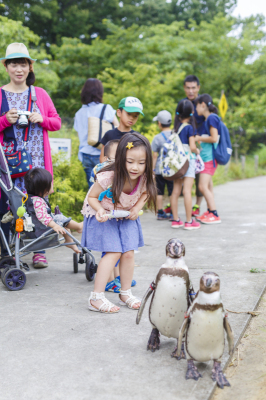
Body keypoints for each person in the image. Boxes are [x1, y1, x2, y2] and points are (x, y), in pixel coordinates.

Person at [0, 42, 61, 268]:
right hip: (8, 164)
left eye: (23, 64)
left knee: (38, 204)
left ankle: (39, 251)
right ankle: (7, 250)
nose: (19, 69)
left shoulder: (40, 95)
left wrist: (41, 119)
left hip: (36, 162)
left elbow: (56, 122)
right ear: (6, 67)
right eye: (14, 64)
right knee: (9, 204)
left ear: (30, 67)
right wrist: (6, 120)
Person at [81, 132, 157, 313]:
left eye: (141, 163)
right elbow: (91, 197)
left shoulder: (145, 177)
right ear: (121, 158)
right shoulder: (109, 176)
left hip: (126, 215)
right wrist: (100, 210)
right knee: (114, 253)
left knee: (129, 253)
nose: (135, 168)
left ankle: (125, 293)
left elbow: (146, 193)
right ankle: (96, 298)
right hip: (105, 214)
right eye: (130, 162)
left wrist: (136, 208)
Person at [24, 168, 83, 253]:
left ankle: (69, 241)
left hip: (36, 228)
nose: (52, 183)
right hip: (41, 230)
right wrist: (54, 225)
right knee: (59, 218)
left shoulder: (29, 199)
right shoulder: (37, 201)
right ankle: (78, 227)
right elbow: (43, 216)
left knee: (59, 219)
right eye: (51, 182)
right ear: (44, 188)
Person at [74, 78, 119, 188]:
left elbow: (79, 134)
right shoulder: (106, 108)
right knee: (107, 187)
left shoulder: (79, 113)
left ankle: (92, 205)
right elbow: (118, 127)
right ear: (100, 92)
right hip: (102, 154)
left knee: (92, 188)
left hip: (85, 154)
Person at [174, 74, 205, 217]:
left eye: (193, 87)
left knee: (202, 180)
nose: (191, 91)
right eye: (188, 88)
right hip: (188, 149)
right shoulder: (183, 104)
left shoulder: (202, 103)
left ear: (198, 87)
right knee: (185, 182)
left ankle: (197, 205)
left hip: (202, 145)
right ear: (184, 88)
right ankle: (186, 213)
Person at [170, 100, 201, 230]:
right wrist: (197, 150)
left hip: (177, 163)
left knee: (176, 191)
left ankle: (176, 220)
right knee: (187, 191)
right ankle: (189, 222)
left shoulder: (175, 129)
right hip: (188, 161)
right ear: (192, 112)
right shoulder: (189, 128)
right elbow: (192, 146)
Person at [194, 94, 221, 224]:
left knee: (202, 186)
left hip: (209, 159)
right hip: (206, 159)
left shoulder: (211, 118)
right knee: (208, 186)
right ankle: (210, 211)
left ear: (203, 105)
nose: (196, 109)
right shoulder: (207, 120)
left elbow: (214, 138)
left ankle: (214, 214)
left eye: (197, 105)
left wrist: (198, 138)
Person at [99, 96, 144, 162]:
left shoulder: (137, 137)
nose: (132, 118)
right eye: (128, 114)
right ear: (119, 112)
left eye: (135, 115)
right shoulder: (109, 134)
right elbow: (102, 158)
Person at [151, 110, 173, 220]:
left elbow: (155, 156)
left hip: (160, 169)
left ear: (159, 123)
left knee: (159, 191)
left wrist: (153, 169)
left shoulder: (157, 138)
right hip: (173, 170)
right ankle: (174, 212)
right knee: (172, 191)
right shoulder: (175, 135)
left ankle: (160, 212)